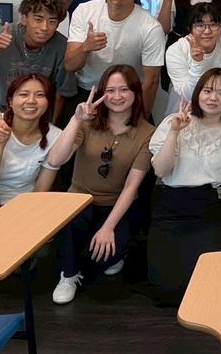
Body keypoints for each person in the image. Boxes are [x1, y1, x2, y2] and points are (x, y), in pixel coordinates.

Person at [46, 66, 155, 304]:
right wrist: (76, 120)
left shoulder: (147, 132)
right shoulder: (87, 122)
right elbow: (55, 160)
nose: (117, 97)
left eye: (124, 90)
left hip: (116, 205)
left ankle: (110, 252)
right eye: (110, 90)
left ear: (135, 92)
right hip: (79, 201)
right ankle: (69, 275)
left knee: (106, 256)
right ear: (101, 94)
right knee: (68, 226)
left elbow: (131, 187)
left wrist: (108, 227)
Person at [148, 68, 221, 304]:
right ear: (198, 92)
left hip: (207, 211)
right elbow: (160, 170)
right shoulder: (174, 122)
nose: (213, 98)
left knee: (206, 292)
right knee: (167, 291)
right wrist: (174, 132)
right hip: (170, 207)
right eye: (208, 91)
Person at [0, 74, 61, 304]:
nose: (31, 101)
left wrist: (26, 227)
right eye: (23, 94)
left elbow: (40, 192)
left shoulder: (55, 136)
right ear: (10, 100)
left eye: (40, 95)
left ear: (48, 102)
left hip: (20, 210)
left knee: (37, 249)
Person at [64, 0, 165, 117]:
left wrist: (140, 119)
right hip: (89, 91)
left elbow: (151, 81)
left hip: (128, 95)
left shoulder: (151, 27)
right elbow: (70, 65)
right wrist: (85, 47)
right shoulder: (84, 11)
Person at [0, 0, 75, 114]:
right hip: (2, 109)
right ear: (24, 19)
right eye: (38, 19)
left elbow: (62, 93)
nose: (44, 27)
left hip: (38, 113)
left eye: (52, 21)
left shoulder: (62, 46)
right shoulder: (7, 34)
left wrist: (53, 124)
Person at [164, 2, 221, 117]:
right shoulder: (176, 50)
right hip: (183, 114)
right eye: (200, 25)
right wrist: (197, 63)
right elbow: (189, 95)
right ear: (190, 28)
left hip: (219, 115)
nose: (207, 31)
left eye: (213, 24)